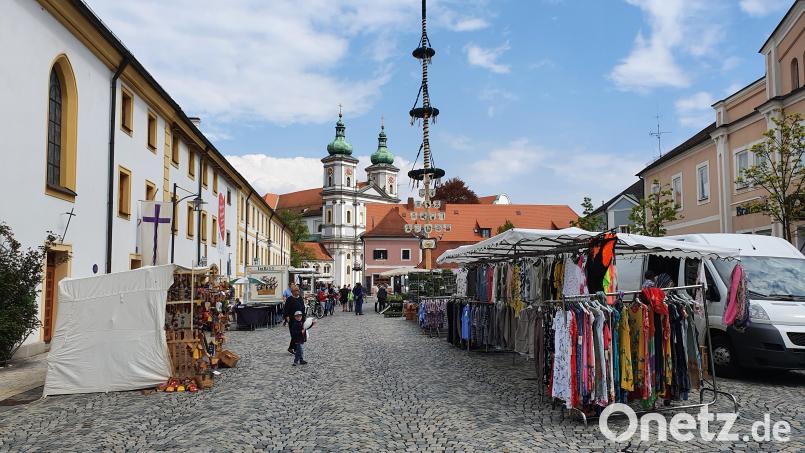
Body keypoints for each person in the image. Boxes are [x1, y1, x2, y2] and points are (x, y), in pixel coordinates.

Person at [283, 286, 305, 354]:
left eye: (298, 290)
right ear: (292, 292)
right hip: (292, 319)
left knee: (298, 334)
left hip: (300, 319)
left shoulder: (300, 298)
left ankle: (292, 348)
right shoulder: (289, 299)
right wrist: (287, 317)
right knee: (294, 334)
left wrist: (304, 317)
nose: (297, 292)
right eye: (296, 291)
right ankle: (293, 348)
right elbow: (286, 309)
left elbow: (303, 308)